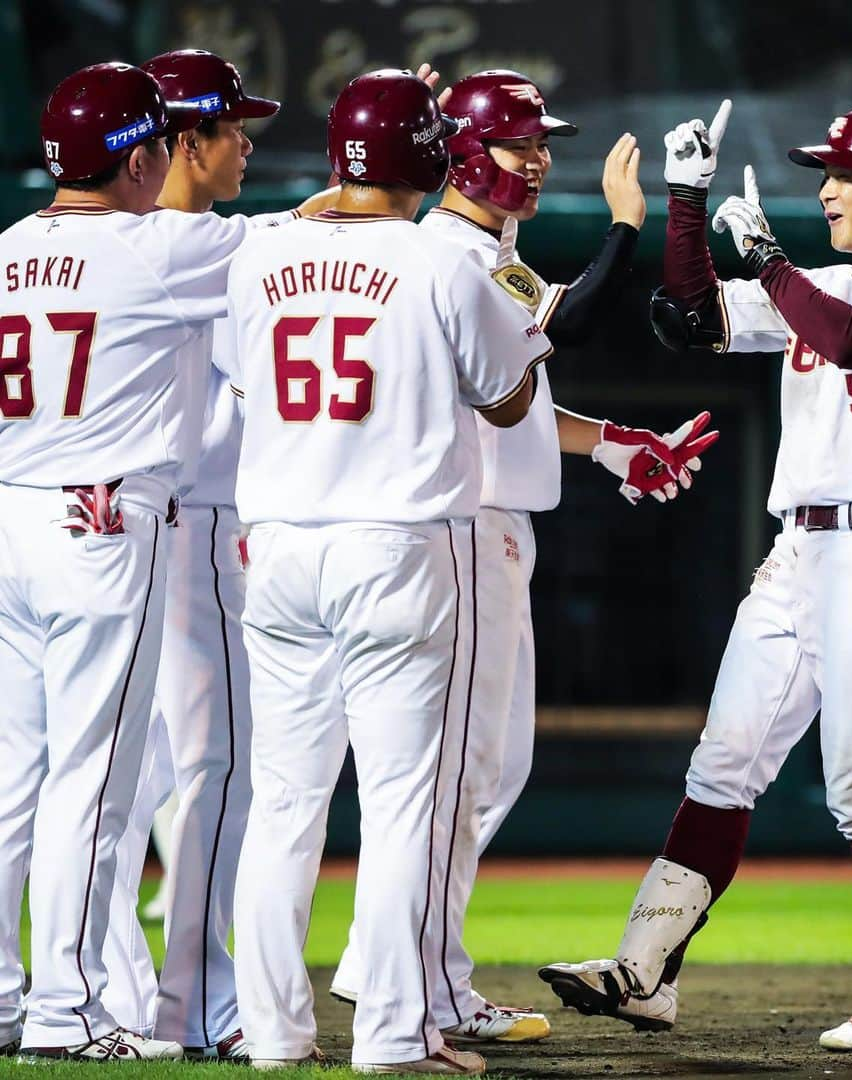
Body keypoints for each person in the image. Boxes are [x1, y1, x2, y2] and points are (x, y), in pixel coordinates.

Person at [539, 103, 852, 1052]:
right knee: (724, 761)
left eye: (844, 175)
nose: (825, 188)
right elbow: (693, 317)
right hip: (799, 552)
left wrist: (773, 265)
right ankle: (645, 971)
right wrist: (688, 203)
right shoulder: (813, 283)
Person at [226, 68, 634, 1075]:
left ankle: (273, 1035)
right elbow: (504, 401)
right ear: (433, 154)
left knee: (282, 806)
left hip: (277, 550)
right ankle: (398, 1034)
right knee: (413, 798)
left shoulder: (258, 255)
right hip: (398, 548)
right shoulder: (441, 263)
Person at [328, 69, 718, 1046]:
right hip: (456, 531)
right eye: (516, 142)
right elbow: (571, 325)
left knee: (478, 773)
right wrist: (628, 228)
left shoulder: (481, 252)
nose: (538, 158)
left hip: (474, 525)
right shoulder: (453, 251)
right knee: (460, 774)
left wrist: (617, 441)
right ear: (459, 150)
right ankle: (411, 979)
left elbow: (522, 393)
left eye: (542, 140)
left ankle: (408, 970)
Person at [0, 60, 262, 1061]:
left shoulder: (8, 246)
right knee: (95, 780)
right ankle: (66, 1013)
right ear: (144, 157)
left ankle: (7, 994)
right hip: (98, 523)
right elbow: (301, 239)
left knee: (15, 777)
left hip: (11, 513)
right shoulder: (154, 245)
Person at [96, 49, 337, 1060]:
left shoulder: (96, 241)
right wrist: (374, 179)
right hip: (189, 531)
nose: (248, 143)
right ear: (182, 141)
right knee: (214, 771)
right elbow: (301, 230)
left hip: (107, 525)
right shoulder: (186, 247)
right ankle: (192, 1003)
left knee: (113, 785)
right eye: (233, 128)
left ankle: (101, 995)